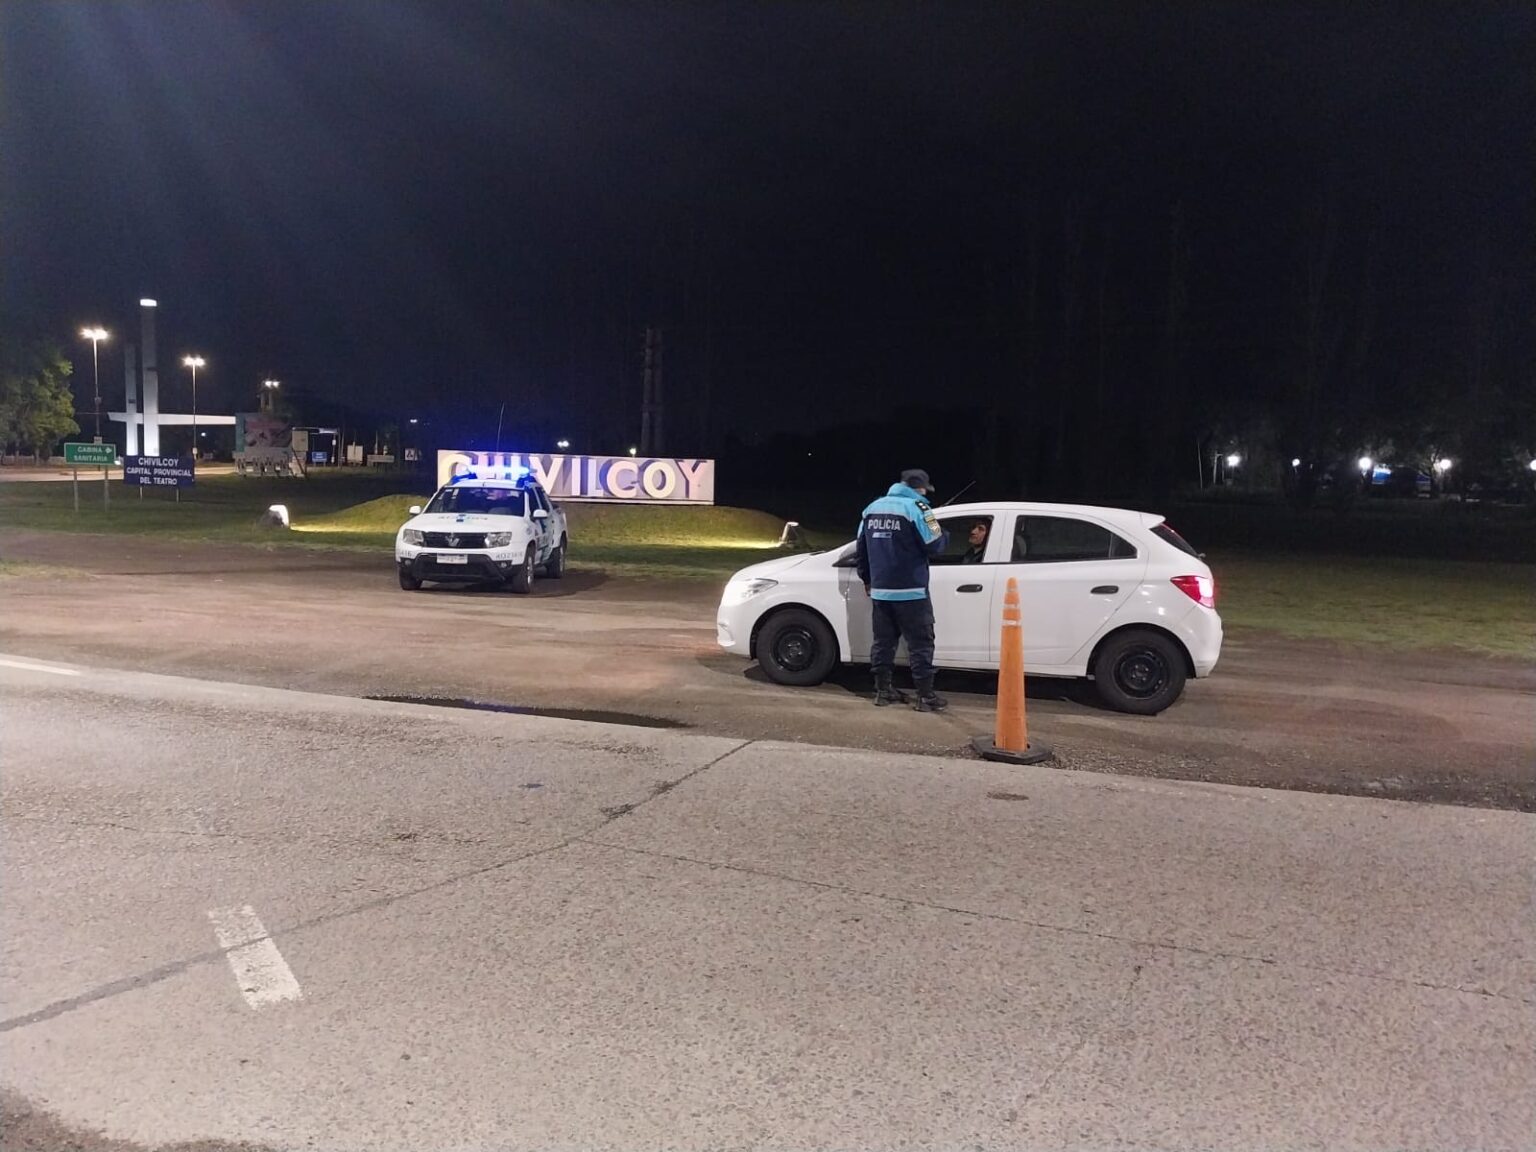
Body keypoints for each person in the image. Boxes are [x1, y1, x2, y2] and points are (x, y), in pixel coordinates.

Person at [855, 468, 950, 711]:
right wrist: (944, 533)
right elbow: (935, 545)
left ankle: (882, 691)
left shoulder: (871, 508)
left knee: (883, 643)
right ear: (920, 488)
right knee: (921, 644)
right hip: (912, 591)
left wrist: (867, 579)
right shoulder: (920, 508)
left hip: (881, 592)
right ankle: (925, 696)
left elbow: (861, 550)